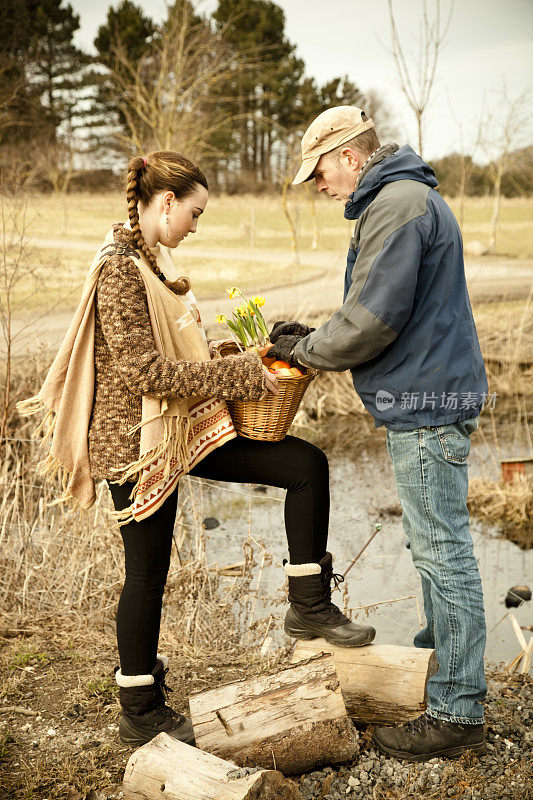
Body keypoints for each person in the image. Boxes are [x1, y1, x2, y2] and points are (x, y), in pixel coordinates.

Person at [18, 150, 375, 749]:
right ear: (165, 203)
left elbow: (180, 360)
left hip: (182, 429)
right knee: (147, 573)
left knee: (305, 464)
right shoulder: (120, 270)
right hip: (138, 444)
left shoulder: (151, 263)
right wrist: (237, 377)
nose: (195, 225)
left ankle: (308, 604)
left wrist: (238, 356)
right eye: (195, 212)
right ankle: (139, 705)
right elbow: (145, 375)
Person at [267, 106, 488, 762]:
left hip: (425, 404)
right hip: (427, 396)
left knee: (442, 553)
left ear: (351, 156)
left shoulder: (395, 204)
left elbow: (370, 320)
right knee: (434, 550)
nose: (316, 184)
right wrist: (312, 335)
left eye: (320, 171)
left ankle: (454, 711)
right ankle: (437, 676)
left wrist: (306, 351)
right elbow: (378, 307)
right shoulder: (405, 197)